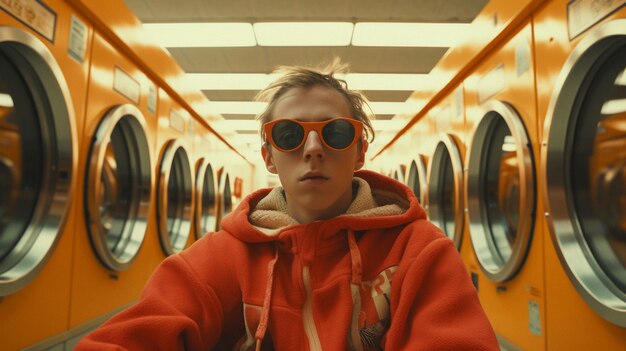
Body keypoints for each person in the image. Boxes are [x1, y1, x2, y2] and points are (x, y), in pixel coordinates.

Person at [76, 62, 499, 350]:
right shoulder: (223, 256)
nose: (313, 149)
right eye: (289, 135)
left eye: (334, 133)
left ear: (360, 152)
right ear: (268, 158)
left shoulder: (418, 252)